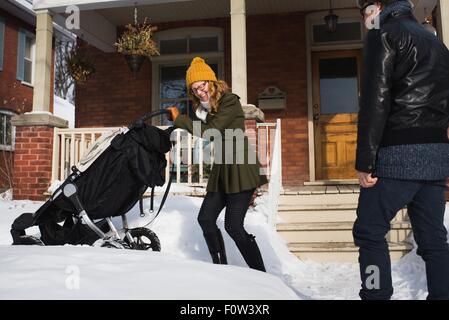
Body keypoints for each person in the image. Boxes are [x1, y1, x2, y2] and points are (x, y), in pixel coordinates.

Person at [354, 0, 449, 300]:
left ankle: (375, 295)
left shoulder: (383, 34)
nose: (366, 19)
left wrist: (365, 160)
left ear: (379, 6)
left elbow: (375, 101)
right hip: (436, 158)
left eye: (367, 11)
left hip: (398, 155)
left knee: (369, 231)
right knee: (434, 241)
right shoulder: (435, 43)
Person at [166, 57, 268, 272]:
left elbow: (208, 132)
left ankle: (261, 274)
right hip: (223, 168)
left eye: (201, 85)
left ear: (211, 81)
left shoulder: (229, 101)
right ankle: (221, 269)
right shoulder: (207, 109)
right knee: (206, 218)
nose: (199, 92)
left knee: (234, 226)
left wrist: (180, 119)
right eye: (194, 89)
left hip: (240, 167)